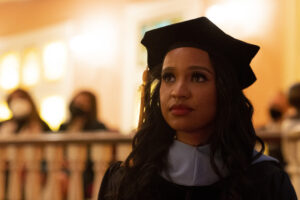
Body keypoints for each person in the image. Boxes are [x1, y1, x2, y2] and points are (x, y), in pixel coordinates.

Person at [98, 17, 297, 200]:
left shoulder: (265, 182)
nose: (178, 91)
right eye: (169, 77)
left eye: (197, 77)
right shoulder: (125, 180)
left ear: (223, 90)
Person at [59, 90, 108, 199]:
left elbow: (98, 154)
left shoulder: (98, 127)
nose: (79, 104)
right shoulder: (64, 126)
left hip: (87, 170)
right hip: (65, 168)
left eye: (84, 102)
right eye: (77, 100)